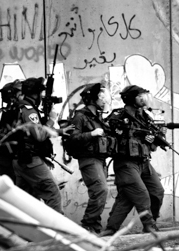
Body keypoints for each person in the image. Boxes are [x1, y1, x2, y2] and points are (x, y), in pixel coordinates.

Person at [102, 84, 164, 235]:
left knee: (155, 192)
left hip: (143, 162)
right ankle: (149, 226)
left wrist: (153, 140)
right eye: (140, 96)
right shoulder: (119, 116)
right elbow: (109, 133)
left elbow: (154, 143)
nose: (144, 99)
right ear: (131, 98)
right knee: (141, 194)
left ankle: (111, 228)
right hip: (126, 163)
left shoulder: (145, 117)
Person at [64, 83, 111, 234]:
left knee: (99, 193)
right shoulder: (80, 116)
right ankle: (88, 224)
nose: (104, 101)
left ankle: (94, 226)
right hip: (89, 159)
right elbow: (72, 138)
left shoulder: (96, 116)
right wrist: (91, 134)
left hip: (100, 159)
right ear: (92, 99)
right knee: (100, 190)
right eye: (100, 97)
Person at [12, 77, 63, 212]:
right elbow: (39, 136)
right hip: (29, 160)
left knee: (28, 202)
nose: (42, 97)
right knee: (53, 194)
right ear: (35, 93)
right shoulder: (28, 109)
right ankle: (58, 230)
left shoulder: (18, 107)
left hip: (20, 159)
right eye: (41, 93)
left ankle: (28, 232)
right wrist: (52, 119)